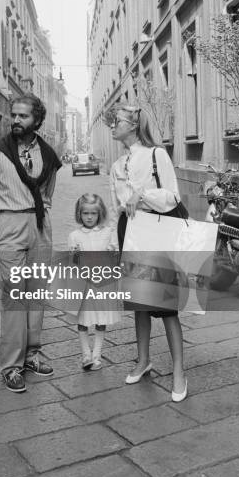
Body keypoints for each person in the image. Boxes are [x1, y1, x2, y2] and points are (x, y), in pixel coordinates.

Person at [0, 93, 61, 393]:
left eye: (23, 116)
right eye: (13, 115)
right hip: (9, 222)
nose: (15, 120)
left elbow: (48, 192)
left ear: (37, 120)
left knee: (37, 292)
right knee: (14, 295)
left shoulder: (49, 154)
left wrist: (40, 220)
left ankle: (32, 354)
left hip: (40, 224)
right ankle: (11, 365)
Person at [110, 104, 188, 402]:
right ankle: (143, 361)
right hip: (128, 232)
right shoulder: (117, 164)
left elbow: (172, 195)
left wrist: (142, 195)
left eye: (117, 121)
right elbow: (116, 203)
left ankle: (179, 371)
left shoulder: (156, 154)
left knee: (166, 306)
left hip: (155, 231)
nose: (113, 126)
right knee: (138, 303)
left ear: (132, 125)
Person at [68, 193, 120, 371]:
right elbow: (72, 262)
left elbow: (113, 257)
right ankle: (85, 355)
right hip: (83, 285)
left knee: (100, 318)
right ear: (79, 214)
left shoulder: (108, 233)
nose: (89, 217)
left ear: (100, 213)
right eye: (85, 213)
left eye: (93, 213)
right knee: (82, 320)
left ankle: (96, 355)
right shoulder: (74, 235)